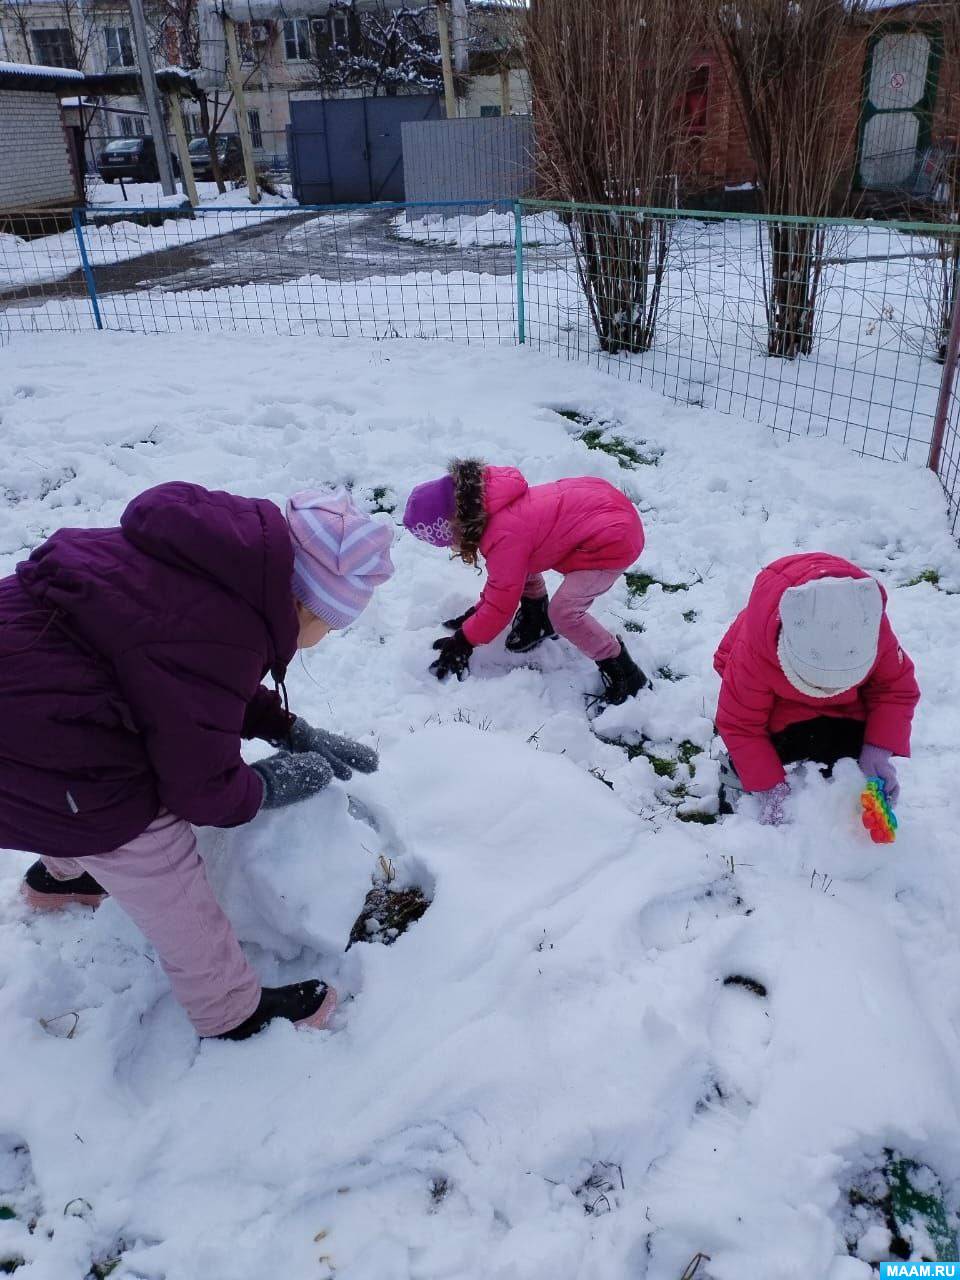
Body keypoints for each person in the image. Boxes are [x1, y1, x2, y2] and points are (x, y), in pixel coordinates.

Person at [2, 482, 393, 1040]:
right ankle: (230, 1008)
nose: (327, 637)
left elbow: (178, 682)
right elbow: (201, 790)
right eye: (332, 624)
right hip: (41, 745)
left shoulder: (195, 570)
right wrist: (264, 787)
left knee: (72, 772)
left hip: (30, 716)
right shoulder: (224, 630)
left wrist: (287, 728)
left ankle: (63, 875)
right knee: (149, 837)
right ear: (305, 603)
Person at [403, 459, 647, 705]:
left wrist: (463, 642)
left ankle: (625, 672)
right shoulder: (492, 503)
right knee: (520, 562)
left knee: (564, 613)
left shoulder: (502, 535)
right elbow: (505, 581)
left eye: (450, 541)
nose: (454, 547)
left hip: (614, 538)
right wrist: (474, 616)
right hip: (599, 507)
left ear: (454, 525)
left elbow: (501, 603)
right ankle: (536, 617)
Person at [713, 552, 919, 825]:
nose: (823, 691)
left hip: (846, 705)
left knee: (846, 752)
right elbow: (741, 723)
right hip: (776, 702)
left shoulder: (870, 628)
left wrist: (878, 751)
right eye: (816, 683)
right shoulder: (753, 655)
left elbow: (895, 690)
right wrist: (767, 786)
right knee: (757, 756)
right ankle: (737, 772)